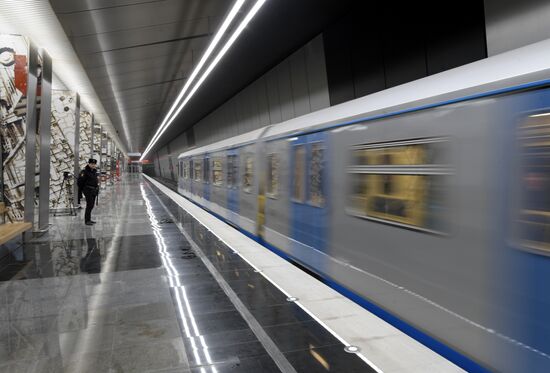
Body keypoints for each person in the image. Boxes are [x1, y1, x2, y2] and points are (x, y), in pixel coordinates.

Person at [78, 159, 99, 225]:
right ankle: (87, 221)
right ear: (88, 164)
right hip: (88, 190)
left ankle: (89, 219)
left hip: (94, 190)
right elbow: (79, 182)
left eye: (94, 164)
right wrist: (83, 190)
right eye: (92, 164)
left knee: (92, 205)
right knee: (89, 205)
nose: (93, 165)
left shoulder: (94, 171)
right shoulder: (84, 172)